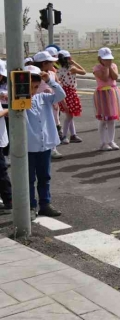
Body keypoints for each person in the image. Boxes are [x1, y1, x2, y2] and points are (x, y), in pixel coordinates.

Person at [25, 65, 65, 217]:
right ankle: (29, 206)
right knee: (28, 179)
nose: (33, 90)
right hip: (28, 147)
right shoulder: (19, 101)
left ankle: (45, 204)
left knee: (45, 177)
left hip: (44, 146)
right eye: (30, 87)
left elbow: (61, 95)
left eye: (36, 86)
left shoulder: (43, 97)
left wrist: (50, 81)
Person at [92, 48, 120, 151]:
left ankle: (111, 140)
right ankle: (103, 142)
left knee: (112, 119)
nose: (108, 61)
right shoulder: (96, 68)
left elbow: (115, 77)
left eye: (109, 59)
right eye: (105, 59)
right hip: (102, 93)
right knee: (103, 120)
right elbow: (105, 78)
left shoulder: (113, 65)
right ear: (100, 59)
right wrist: (106, 67)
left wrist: (110, 67)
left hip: (113, 92)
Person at [57, 50, 85, 144]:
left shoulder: (60, 69)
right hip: (71, 92)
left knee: (69, 115)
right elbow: (84, 72)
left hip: (64, 92)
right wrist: (75, 63)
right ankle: (64, 136)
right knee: (69, 116)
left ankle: (73, 134)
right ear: (68, 59)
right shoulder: (72, 68)